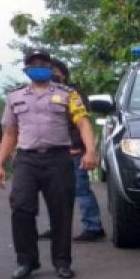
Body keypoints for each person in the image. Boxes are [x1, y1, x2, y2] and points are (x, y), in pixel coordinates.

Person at [0, 49, 97, 279]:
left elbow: (82, 123)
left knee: (61, 210)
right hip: (26, 160)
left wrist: (90, 151)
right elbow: (10, 133)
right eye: (33, 63)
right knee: (21, 207)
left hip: (58, 158)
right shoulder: (15, 97)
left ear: (51, 67)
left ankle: (62, 262)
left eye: (43, 63)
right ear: (26, 68)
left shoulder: (68, 94)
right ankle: (26, 261)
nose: (38, 66)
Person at [52, 59, 105, 242]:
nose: (51, 74)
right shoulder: (46, 94)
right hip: (55, 151)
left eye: (55, 71)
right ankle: (57, 227)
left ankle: (93, 226)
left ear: (63, 74)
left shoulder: (72, 93)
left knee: (80, 189)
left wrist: (78, 147)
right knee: (56, 192)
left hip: (73, 150)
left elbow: (81, 123)